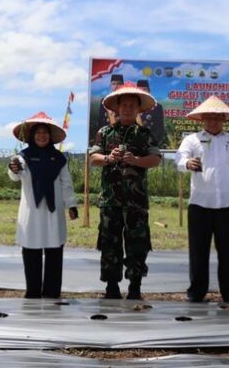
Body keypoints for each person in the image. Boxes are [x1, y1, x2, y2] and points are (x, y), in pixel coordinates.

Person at [175, 96, 229, 303]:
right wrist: (186, 163)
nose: (213, 122)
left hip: (227, 206)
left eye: (217, 118)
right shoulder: (192, 140)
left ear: (224, 120)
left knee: (227, 253)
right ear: (202, 119)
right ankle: (196, 292)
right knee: (198, 253)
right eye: (209, 118)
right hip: (199, 205)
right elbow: (179, 158)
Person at [89, 82, 161, 300]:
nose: (128, 108)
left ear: (138, 109)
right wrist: (108, 158)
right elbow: (93, 158)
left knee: (137, 244)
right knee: (109, 244)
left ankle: (135, 288)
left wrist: (137, 160)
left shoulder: (145, 133)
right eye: (124, 105)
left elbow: (156, 159)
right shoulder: (105, 132)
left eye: (132, 105)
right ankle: (111, 287)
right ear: (117, 109)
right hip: (110, 200)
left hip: (136, 202)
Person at [8, 112, 78, 298]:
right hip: (31, 212)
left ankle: (52, 291)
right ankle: (32, 291)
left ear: (50, 136)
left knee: (55, 250)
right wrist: (13, 168)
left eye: (45, 132)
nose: (41, 135)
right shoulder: (23, 157)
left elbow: (66, 183)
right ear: (31, 136)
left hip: (54, 212)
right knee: (31, 250)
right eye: (38, 132)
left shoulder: (59, 158)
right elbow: (16, 174)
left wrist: (71, 205)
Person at [137, 79, 166, 147]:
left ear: (149, 91)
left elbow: (160, 129)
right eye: (140, 90)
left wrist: (152, 144)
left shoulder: (156, 107)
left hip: (150, 144)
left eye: (144, 89)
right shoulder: (132, 106)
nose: (142, 92)